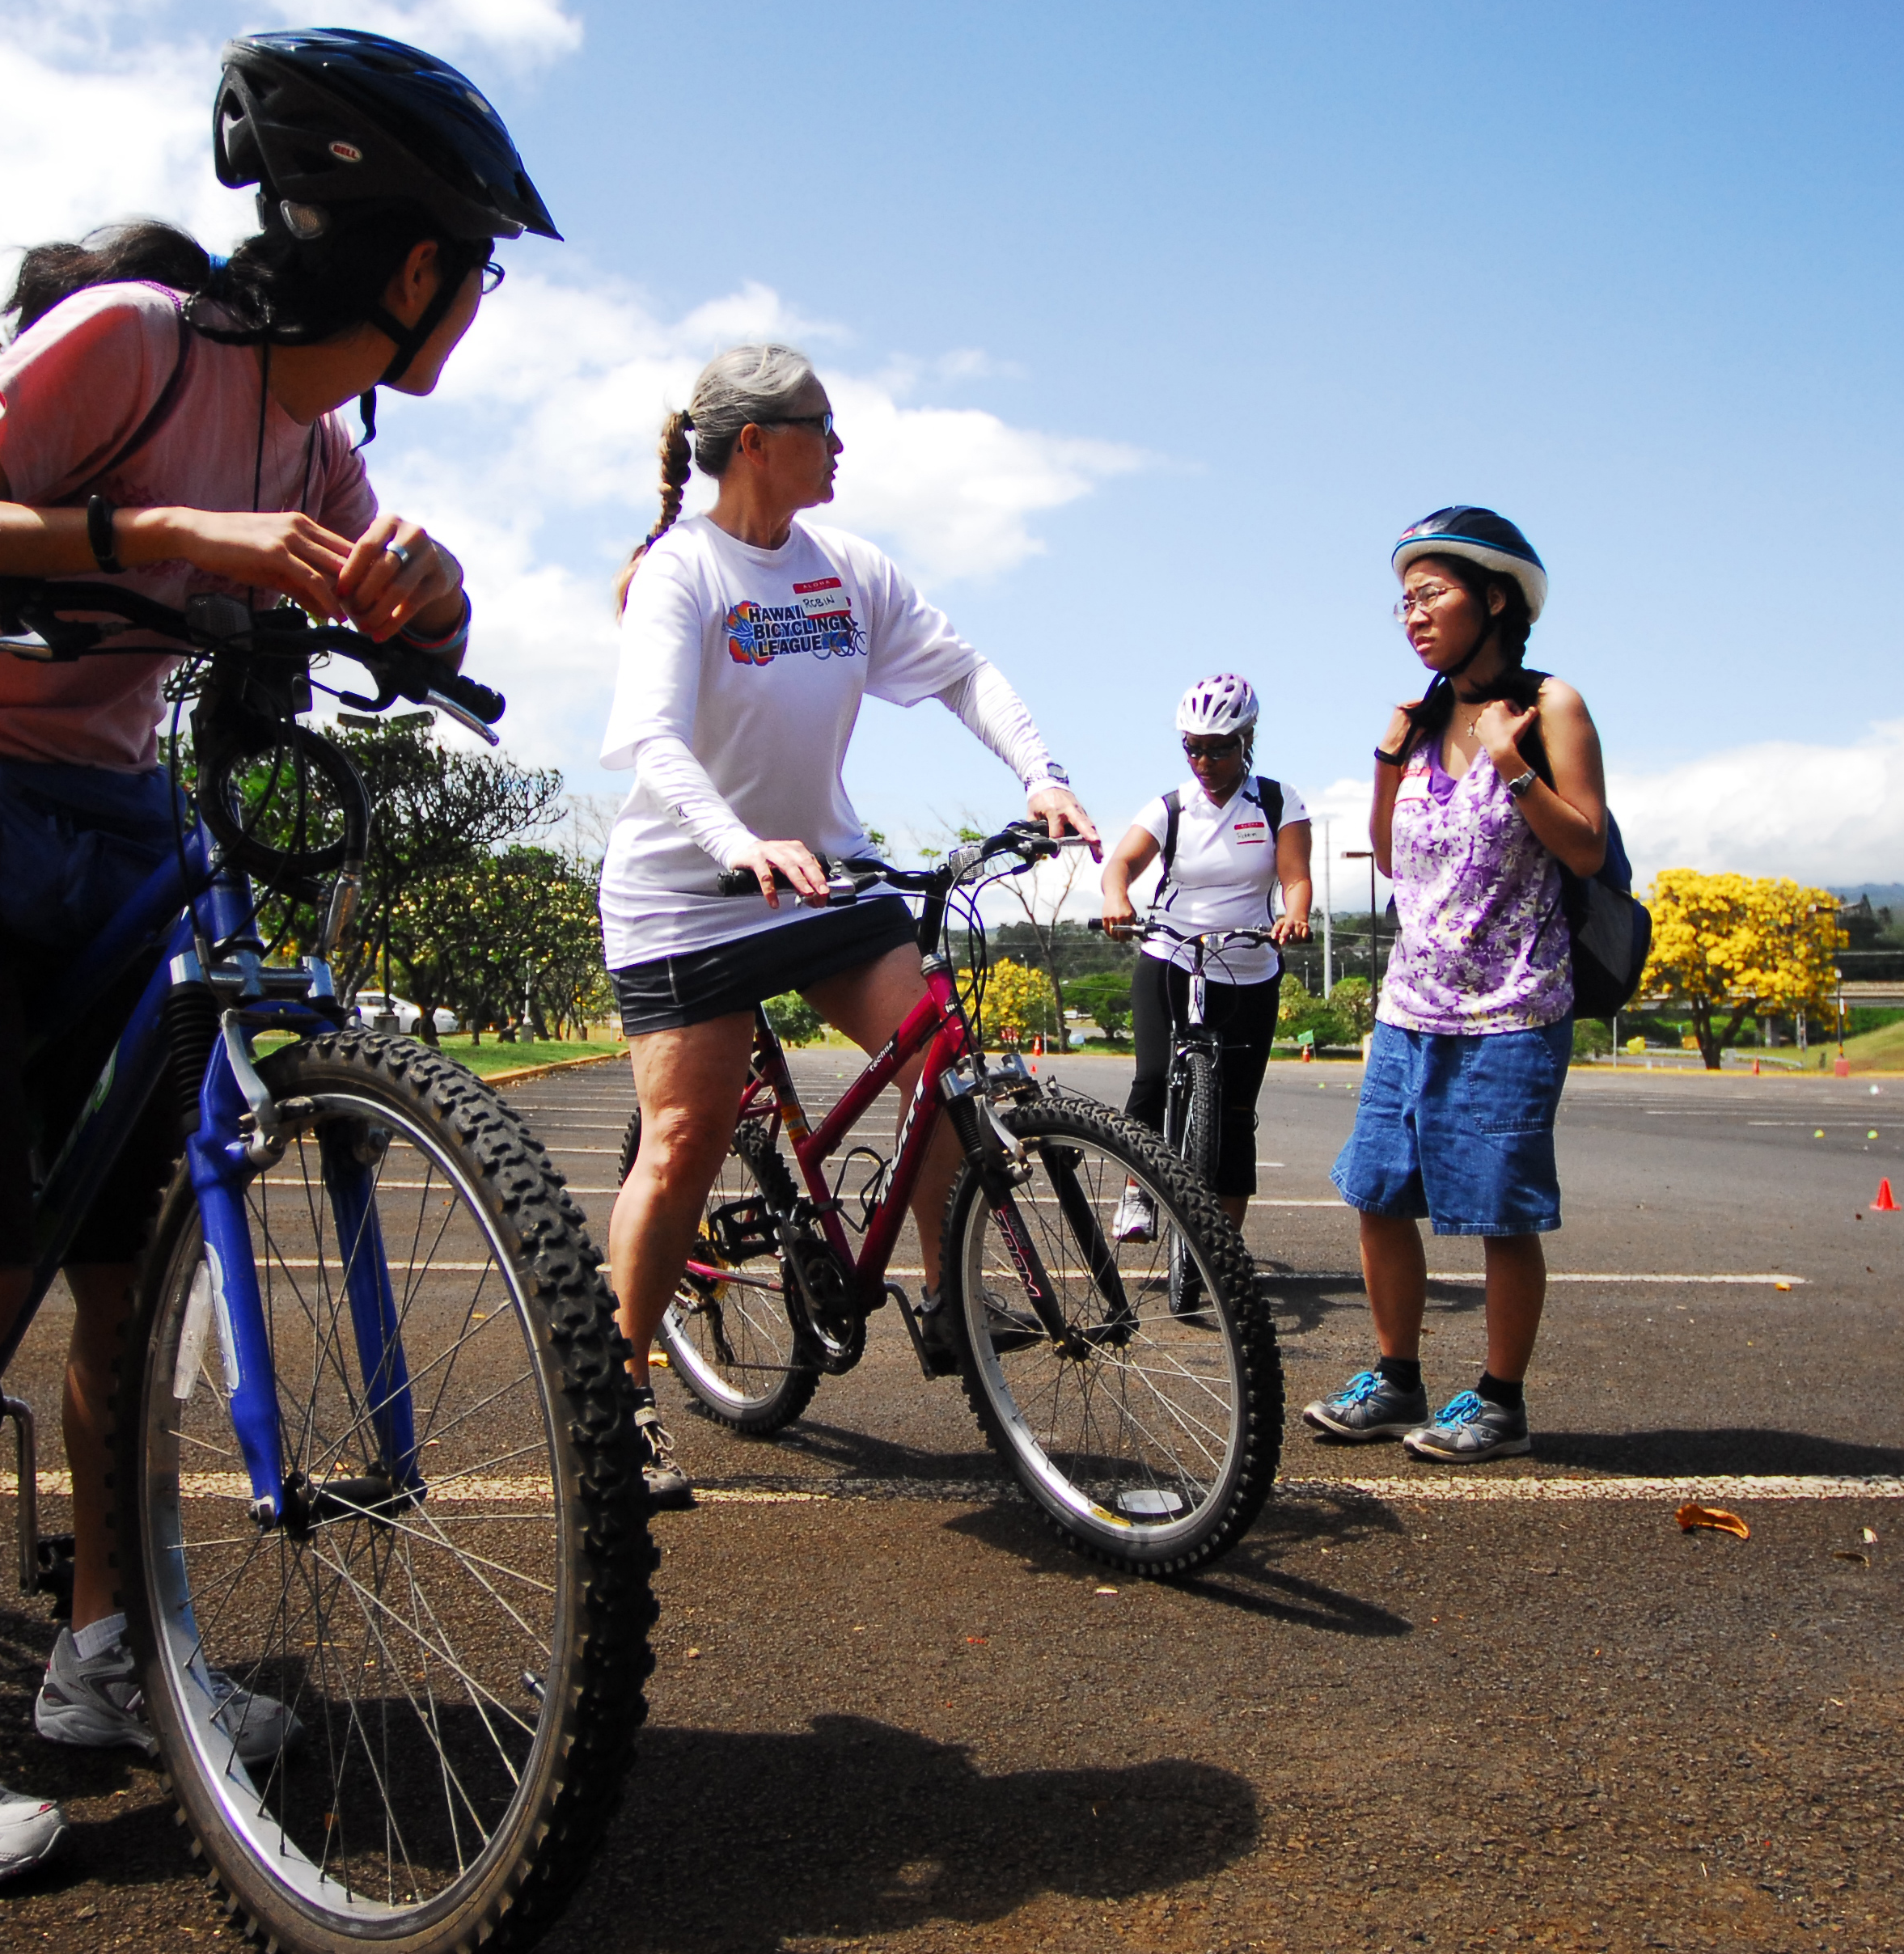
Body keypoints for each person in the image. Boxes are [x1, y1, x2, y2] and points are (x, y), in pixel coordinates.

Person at [0, 31, 556, 1892]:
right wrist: (165, 533)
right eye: (479, 267)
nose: (479, 303)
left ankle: (110, 1651)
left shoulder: (325, 443)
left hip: (104, 825)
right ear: (415, 268)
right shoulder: (133, 343)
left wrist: (418, 590)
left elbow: (389, 592)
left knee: (130, 1276)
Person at [599, 343, 1098, 1509]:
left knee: (937, 1050)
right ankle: (617, 1390)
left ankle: (946, 1301)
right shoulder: (682, 572)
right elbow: (654, 741)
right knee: (683, 1139)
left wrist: (1041, 771)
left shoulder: (845, 569)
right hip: (688, 896)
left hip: (823, 878)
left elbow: (965, 672)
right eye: (826, 426)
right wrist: (736, 844)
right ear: (758, 444)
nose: (843, 448)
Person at [1302, 508, 1609, 1464]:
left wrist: (1515, 768)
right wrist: (1388, 761)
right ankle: (1395, 1379)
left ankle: (1499, 1400)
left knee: (1497, 1212)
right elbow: (1391, 861)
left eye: (1430, 595)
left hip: (1511, 1010)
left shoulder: (1550, 707)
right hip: (1408, 1007)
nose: (1412, 616)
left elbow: (1587, 848)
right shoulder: (1422, 719)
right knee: (1378, 1194)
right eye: (1403, 601)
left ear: (1496, 599)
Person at [1095, 675, 1312, 1239]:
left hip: (1248, 964)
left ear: (1248, 739)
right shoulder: (1172, 807)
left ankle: (1224, 1244)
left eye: (1218, 747)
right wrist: (1117, 899)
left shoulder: (1275, 801)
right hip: (1172, 954)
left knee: (1237, 1110)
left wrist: (1294, 915)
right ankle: (1137, 1194)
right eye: (1192, 747)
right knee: (1150, 1078)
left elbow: (1296, 878)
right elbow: (1120, 866)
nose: (1204, 760)